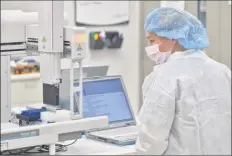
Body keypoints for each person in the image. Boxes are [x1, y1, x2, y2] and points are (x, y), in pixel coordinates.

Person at [136, 7, 231, 155]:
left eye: (152, 40)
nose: (149, 47)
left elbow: (151, 140)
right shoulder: (222, 71)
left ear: (173, 38)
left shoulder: (163, 77)